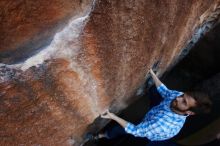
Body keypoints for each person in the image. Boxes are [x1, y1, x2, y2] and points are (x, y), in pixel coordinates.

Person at [90, 69, 212, 143]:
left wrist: (113, 116)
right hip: (158, 110)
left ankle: (102, 136)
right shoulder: (179, 97)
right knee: (155, 90)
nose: (178, 98)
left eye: (184, 102)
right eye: (183, 96)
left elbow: (136, 130)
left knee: (122, 131)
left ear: (189, 113)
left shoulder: (162, 125)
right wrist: (152, 73)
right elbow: (166, 92)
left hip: (151, 129)